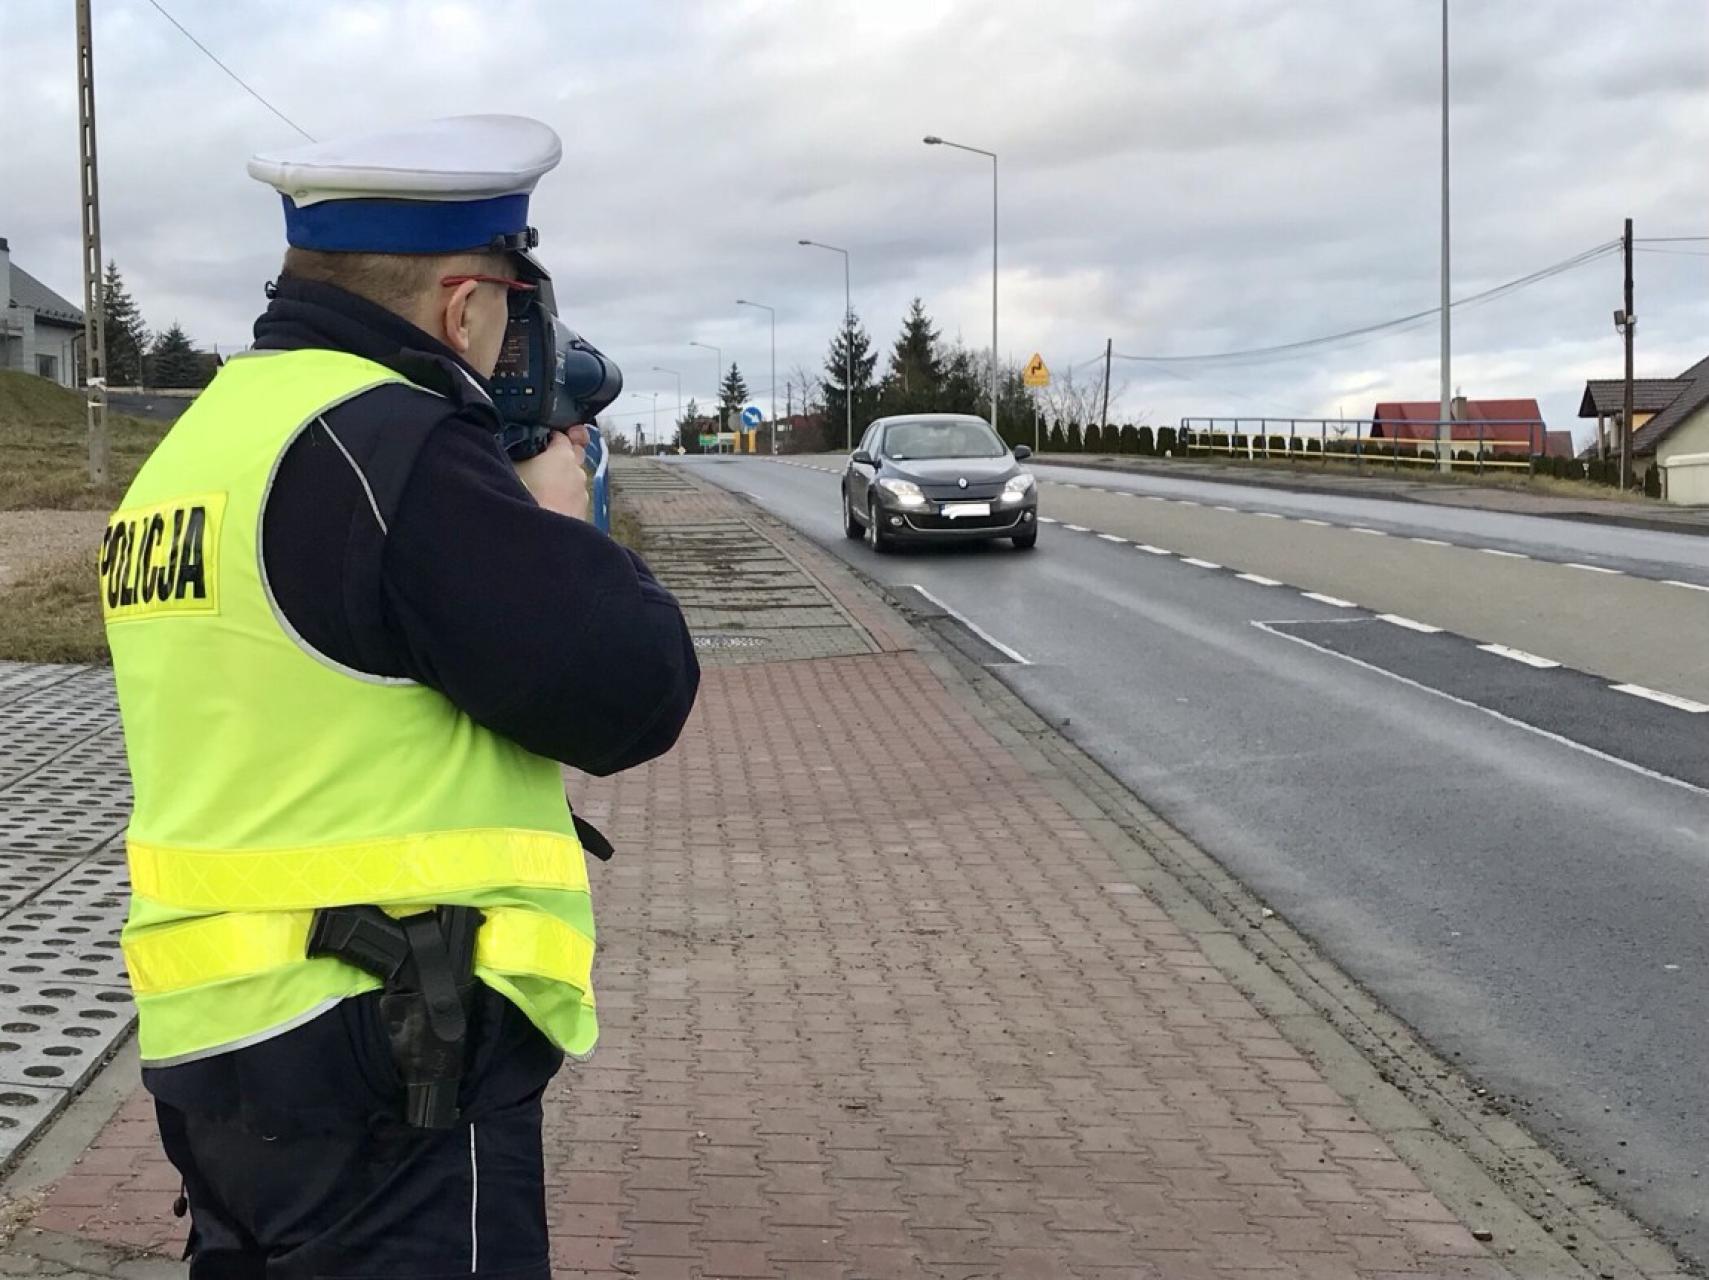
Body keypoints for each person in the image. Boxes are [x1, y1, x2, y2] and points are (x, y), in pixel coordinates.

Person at [99, 115, 699, 1277]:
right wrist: (554, 520)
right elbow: (633, 687)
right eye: (512, 307)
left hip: (214, 1050)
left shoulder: (200, 446)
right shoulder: (391, 446)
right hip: (386, 1055)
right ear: (463, 305)